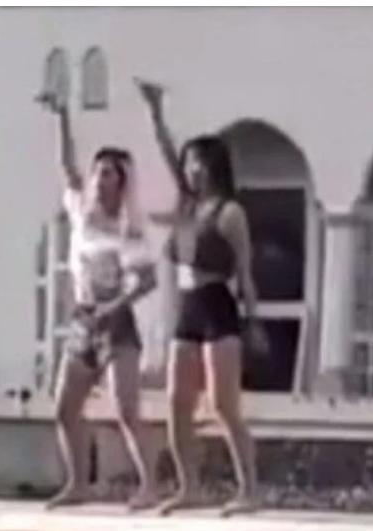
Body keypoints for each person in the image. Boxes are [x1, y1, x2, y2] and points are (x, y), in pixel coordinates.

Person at [136, 78, 269, 517]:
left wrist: (254, 322)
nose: (190, 170)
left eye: (197, 163)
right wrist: (155, 112)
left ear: (212, 166)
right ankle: (188, 486)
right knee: (177, 402)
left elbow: (245, 272)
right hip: (187, 307)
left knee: (223, 405)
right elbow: (166, 150)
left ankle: (249, 488)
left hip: (217, 307)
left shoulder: (230, 213)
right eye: (188, 163)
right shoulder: (188, 206)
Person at [37, 91, 159, 511]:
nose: (99, 178)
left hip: (117, 323)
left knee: (126, 409)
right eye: (98, 171)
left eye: (108, 173)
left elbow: (148, 280)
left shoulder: (128, 227)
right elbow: (66, 167)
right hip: (84, 320)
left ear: (121, 182)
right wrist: (62, 115)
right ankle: (78, 484)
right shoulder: (80, 212)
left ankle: (150, 485)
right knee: (64, 407)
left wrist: (115, 305)